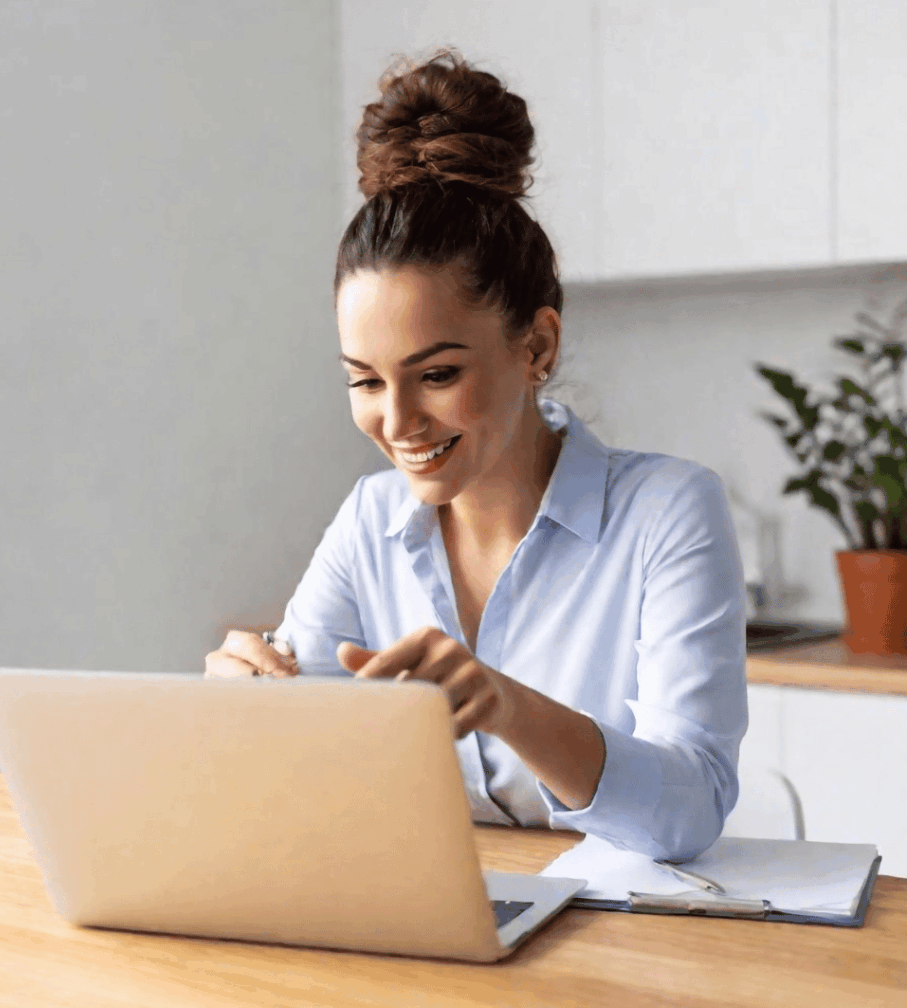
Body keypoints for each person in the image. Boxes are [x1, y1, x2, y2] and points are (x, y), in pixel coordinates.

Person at [206, 50, 747, 862]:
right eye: (365, 382)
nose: (397, 423)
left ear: (536, 345)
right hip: (436, 932)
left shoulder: (667, 513)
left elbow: (691, 806)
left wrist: (507, 705)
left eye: (437, 375)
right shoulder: (370, 522)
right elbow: (299, 772)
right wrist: (241, 708)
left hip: (625, 953)